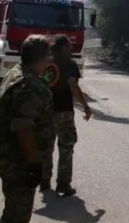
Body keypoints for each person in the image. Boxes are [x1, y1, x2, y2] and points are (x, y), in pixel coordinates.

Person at [0, 35, 55, 223]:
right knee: (17, 216)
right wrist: (33, 164)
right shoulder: (29, 86)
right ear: (40, 58)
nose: (50, 59)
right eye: (48, 56)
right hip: (18, 162)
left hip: (9, 157)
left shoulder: (16, 72)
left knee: (13, 211)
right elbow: (24, 129)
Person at [40, 35, 91, 196]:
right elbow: (73, 87)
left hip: (46, 111)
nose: (71, 48)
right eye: (69, 45)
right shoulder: (69, 64)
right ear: (63, 47)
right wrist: (85, 106)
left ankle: (44, 180)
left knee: (47, 147)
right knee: (66, 147)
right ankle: (63, 183)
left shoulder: (46, 61)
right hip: (64, 111)